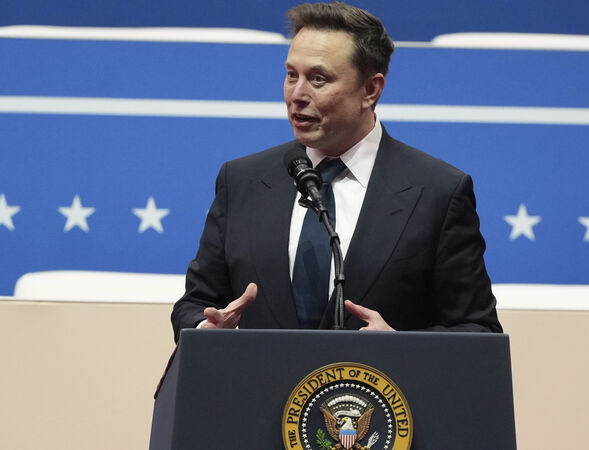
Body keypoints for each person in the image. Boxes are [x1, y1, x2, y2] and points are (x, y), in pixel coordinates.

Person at [171, 1, 502, 341]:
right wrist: (207, 329)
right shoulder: (242, 181)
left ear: (370, 90)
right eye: (291, 75)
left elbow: (479, 331)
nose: (297, 94)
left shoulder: (438, 192)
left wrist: (402, 350)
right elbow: (195, 304)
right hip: (259, 378)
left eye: (318, 79)